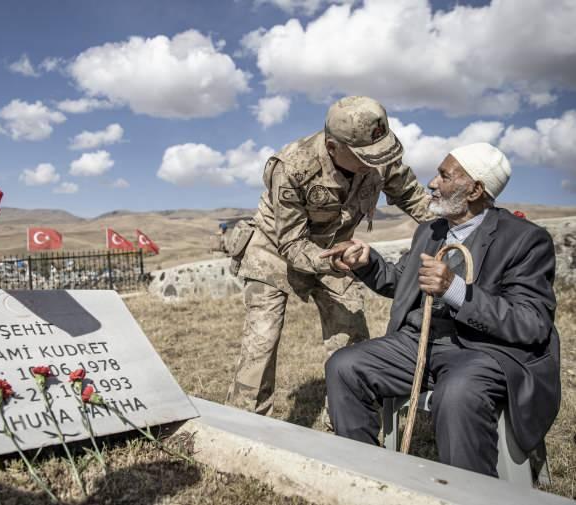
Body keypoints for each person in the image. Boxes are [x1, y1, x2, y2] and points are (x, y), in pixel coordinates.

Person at [323, 143, 560, 476]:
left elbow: (531, 322)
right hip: (418, 344)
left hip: (485, 351)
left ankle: (469, 495)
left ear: (476, 189)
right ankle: (368, 477)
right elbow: (402, 281)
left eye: (444, 176)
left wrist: (455, 289)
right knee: (345, 365)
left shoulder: (524, 240)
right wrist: (366, 262)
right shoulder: (430, 230)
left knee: (458, 392)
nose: (432, 183)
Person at [226, 96, 435, 416]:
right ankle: (246, 426)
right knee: (262, 341)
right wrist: (330, 261)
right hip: (274, 251)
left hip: (337, 249)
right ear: (333, 146)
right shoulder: (293, 166)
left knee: (352, 336)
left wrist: (458, 228)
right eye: (362, 156)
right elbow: (292, 244)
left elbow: (413, 196)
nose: (373, 162)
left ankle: (345, 424)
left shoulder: (377, 153)